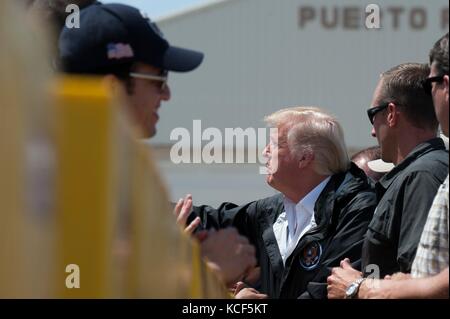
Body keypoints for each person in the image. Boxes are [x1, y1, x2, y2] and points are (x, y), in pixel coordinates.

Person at [58, 2, 256, 287]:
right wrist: (205, 269)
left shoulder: (98, 164)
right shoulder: (64, 171)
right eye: (158, 80)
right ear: (111, 88)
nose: (167, 94)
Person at [180, 106, 377, 299]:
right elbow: (215, 222)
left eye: (274, 144)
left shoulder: (358, 211)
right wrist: (155, 211)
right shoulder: (273, 211)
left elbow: (324, 292)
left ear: (304, 158)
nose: (265, 151)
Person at [327, 33, 449, 299]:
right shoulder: (422, 173)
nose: (372, 131)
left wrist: (355, 289)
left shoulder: (422, 176)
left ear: (391, 114)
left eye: (373, 116)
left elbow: (423, 280)